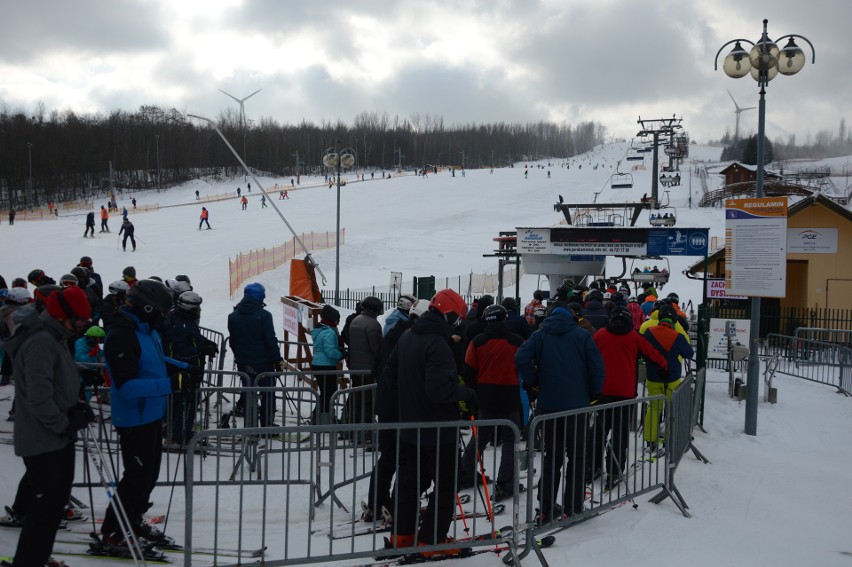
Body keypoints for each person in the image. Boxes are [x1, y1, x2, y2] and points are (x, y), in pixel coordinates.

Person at [96, 280, 199, 555]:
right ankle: (114, 533)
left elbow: (155, 361)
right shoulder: (121, 334)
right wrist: (171, 384)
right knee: (135, 479)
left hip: (152, 414)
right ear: (148, 306)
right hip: (134, 418)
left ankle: (133, 520)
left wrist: (183, 368)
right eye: (162, 310)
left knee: (149, 476)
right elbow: (127, 386)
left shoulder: (146, 330)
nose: (164, 316)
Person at [3, 286, 94, 567]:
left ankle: (35, 559)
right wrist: (65, 423)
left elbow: (54, 386)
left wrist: (75, 404)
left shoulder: (54, 337)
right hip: (44, 440)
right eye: (79, 320)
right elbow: (38, 397)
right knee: (45, 509)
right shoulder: (41, 341)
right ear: (62, 315)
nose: (82, 326)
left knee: (51, 509)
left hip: (55, 437)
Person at [385, 289, 475, 557]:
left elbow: (390, 377)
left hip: (411, 426)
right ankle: (431, 541)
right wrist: (467, 394)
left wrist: (410, 400)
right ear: (447, 314)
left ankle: (402, 536)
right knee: (446, 485)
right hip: (438, 430)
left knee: (409, 483)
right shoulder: (437, 344)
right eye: (457, 317)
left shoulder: (408, 335)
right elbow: (439, 390)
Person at [515, 306, 604, 524]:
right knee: (577, 456)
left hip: (549, 406)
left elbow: (521, 357)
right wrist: (594, 393)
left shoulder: (540, 335)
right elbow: (597, 366)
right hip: (577, 406)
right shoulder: (582, 336)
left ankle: (545, 508)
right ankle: (573, 506)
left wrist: (533, 381)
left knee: (552, 457)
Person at [590, 307, 667, 488]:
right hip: (624, 395)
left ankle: (591, 468)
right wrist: (665, 367)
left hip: (602, 392)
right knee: (619, 434)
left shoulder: (601, 334)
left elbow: (588, 352)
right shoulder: (633, 336)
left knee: (599, 432)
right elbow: (653, 355)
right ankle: (614, 471)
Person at [458, 304, 525, 499]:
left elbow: (468, 370)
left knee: (480, 437)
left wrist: (475, 391)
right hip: (510, 394)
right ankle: (505, 482)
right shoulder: (516, 341)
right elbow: (524, 364)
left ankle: (465, 472)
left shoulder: (478, 342)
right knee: (510, 439)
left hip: (485, 395)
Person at [161, 291, 217, 446]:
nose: (199, 310)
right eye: (196, 307)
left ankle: (182, 432)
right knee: (184, 404)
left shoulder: (185, 320)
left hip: (188, 370)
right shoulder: (180, 323)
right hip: (182, 372)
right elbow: (178, 352)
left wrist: (207, 343)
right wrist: (202, 350)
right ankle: (178, 437)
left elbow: (193, 338)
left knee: (186, 404)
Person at [227, 283, 284, 427]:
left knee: (248, 393)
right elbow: (270, 340)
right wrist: (278, 360)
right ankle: (266, 424)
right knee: (268, 393)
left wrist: (239, 356)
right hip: (263, 362)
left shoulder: (233, 316)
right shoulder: (264, 316)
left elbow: (233, 341)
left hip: (244, 362)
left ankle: (250, 426)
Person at [642, 307, 694, 453]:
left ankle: (650, 442)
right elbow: (689, 353)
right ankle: (668, 441)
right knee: (671, 410)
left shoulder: (648, 333)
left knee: (653, 408)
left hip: (653, 377)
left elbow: (642, 351)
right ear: (673, 321)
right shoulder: (677, 336)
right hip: (672, 378)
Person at [346, 296, 383, 436]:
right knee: (368, 402)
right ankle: (366, 432)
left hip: (355, 368)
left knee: (357, 400)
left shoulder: (356, 320)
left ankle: (354, 429)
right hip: (368, 369)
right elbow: (376, 349)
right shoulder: (373, 324)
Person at [309, 304, 345, 424]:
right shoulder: (329, 332)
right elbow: (330, 351)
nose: (337, 323)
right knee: (329, 393)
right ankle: (322, 418)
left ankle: (319, 416)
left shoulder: (319, 329)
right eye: (337, 320)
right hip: (326, 365)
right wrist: (341, 354)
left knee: (325, 393)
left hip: (317, 364)